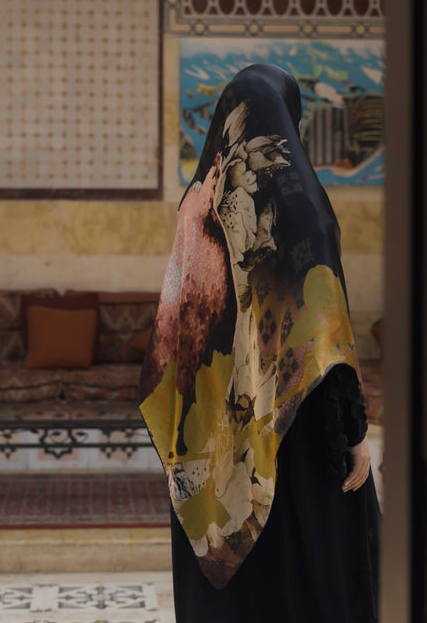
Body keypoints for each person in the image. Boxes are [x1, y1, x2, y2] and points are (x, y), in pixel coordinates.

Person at [139, 64, 379, 623]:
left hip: (213, 430)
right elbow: (323, 330)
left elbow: (177, 330)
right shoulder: (303, 206)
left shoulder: (196, 204)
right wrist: (352, 432)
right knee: (311, 571)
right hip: (299, 423)